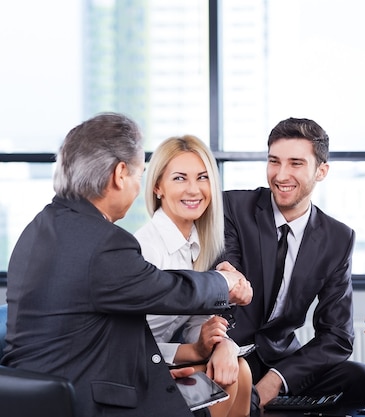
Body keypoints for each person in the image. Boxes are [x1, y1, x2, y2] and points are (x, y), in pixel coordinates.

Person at [0, 113, 253, 417]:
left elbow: (96, 331)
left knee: (229, 377)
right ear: (120, 174)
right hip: (87, 401)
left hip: (45, 393)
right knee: (216, 394)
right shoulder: (104, 243)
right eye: (139, 174)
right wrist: (224, 281)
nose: (137, 186)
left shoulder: (39, 228)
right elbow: (168, 289)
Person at [218, 117, 365, 409]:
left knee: (362, 379)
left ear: (321, 171)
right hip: (229, 349)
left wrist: (278, 378)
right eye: (274, 161)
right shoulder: (233, 208)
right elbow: (226, 284)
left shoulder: (337, 238)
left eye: (295, 163)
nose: (281, 175)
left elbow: (337, 335)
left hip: (280, 359)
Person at [134, 135, 252, 417]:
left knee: (240, 370)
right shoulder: (145, 249)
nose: (193, 189)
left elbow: (194, 322)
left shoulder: (197, 244)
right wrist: (191, 352)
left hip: (163, 359)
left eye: (202, 177)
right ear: (158, 187)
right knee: (219, 379)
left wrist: (221, 342)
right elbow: (130, 341)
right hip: (136, 367)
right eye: (179, 178)